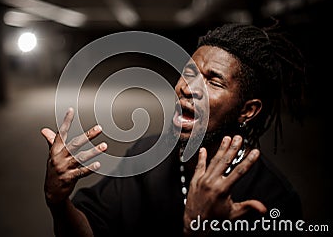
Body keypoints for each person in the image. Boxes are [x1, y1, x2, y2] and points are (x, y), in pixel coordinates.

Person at [41, 22, 306, 236]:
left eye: (213, 81)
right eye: (189, 73)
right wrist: (58, 202)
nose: (187, 87)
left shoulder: (274, 198)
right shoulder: (147, 153)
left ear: (248, 110)